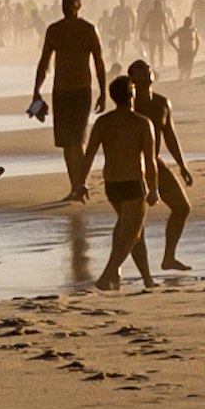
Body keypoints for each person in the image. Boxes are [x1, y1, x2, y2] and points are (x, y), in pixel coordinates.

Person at [71, 75, 158, 291]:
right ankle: (107, 276)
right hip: (133, 183)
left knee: (132, 230)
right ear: (132, 95)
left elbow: (89, 154)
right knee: (132, 233)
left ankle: (146, 279)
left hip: (112, 185)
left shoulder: (103, 122)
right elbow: (150, 160)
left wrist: (80, 182)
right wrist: (154, 188)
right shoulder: (142, 123)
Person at [33, 0, 107, 200]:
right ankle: (75, 186)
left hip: (82, 90)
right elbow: (44, 63)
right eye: (64, 4)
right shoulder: (54, 30)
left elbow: (99, 63)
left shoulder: (88, 30)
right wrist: (36, 92)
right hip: (61, 91)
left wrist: (103, 92)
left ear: (79, 5)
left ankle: (80, 184)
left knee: (77, 139)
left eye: (71, 3)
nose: (67, 7)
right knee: (66, 142)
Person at [130, 61, 194, 271]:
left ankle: (169, 258)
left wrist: (182, 166)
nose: (145, 76)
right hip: (133, 167)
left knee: (182, 207)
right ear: (132, 80)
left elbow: (170, 137)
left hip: (156, 163)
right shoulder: (128, 105)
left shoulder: (162, 103)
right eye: (140, 74)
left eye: (147, 72)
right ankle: (144, 271)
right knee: (137, 222)